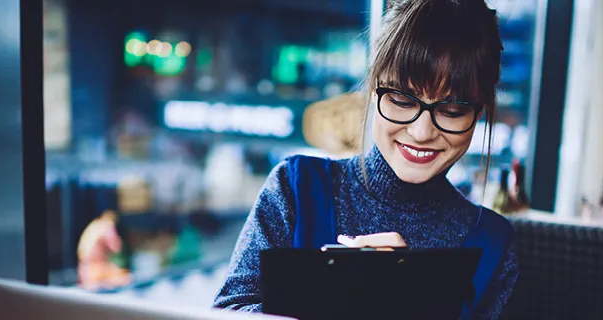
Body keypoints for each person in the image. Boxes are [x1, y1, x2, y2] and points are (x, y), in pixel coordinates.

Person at [214, 0, 518, 318]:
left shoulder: (493, 247)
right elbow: (227, 312)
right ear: (374, 89)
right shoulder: (297, 188)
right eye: (402, 99)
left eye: (452, 110)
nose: (421, 131)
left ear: (478, 112)